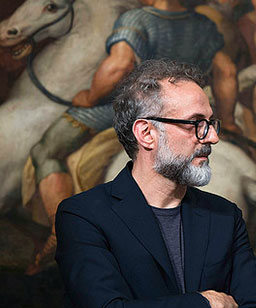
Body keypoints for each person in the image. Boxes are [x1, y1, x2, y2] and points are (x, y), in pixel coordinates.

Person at [55, 59, 256, 308]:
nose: (212, 137)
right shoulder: (84, 215)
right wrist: (209, 304)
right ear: (146, 133)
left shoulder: (223, 215)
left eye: (211, 123)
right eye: (195, 125)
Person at [28, 0, 240, 274]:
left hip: (139, 111)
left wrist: (89, 97)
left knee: (45, 150)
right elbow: (228, 72)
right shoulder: (203, 25)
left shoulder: (139, 19)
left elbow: (118, 67)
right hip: (189, 110)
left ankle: (59, 229)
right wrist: (231, 120)